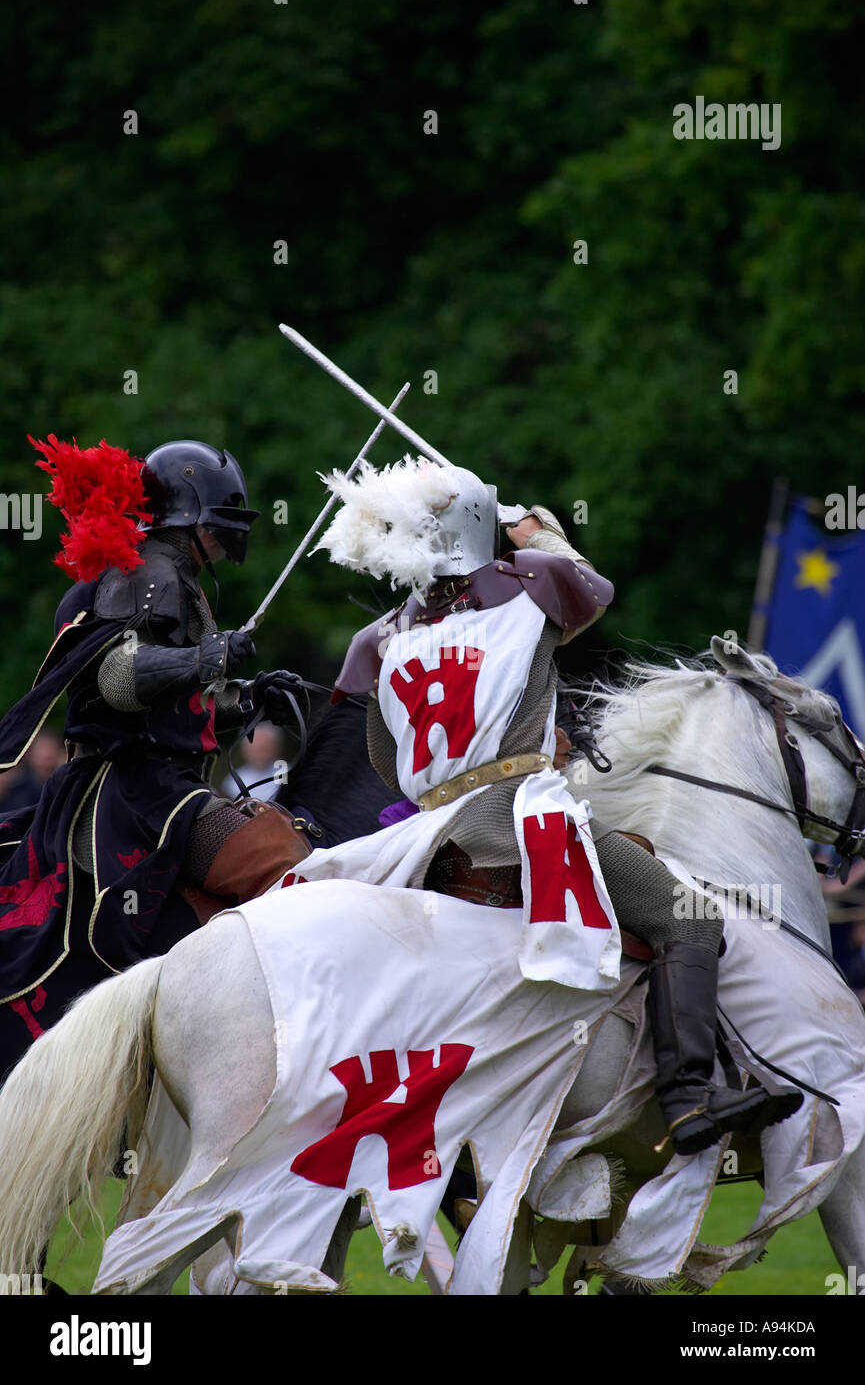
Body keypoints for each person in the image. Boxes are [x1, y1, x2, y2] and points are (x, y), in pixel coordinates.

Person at [307, 456, 802, 1155]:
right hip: (512, 817)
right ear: (485, 529)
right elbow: (592, 590)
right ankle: (691, 1097)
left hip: (424, 835)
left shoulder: (377, 638)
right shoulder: (528, 586)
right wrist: (537, 530)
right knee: (686, 917)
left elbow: (386, 762)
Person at [0, 437, 309, 1080]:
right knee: (278, 857)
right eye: (223, 520)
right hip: (132, 790)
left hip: (153, 775)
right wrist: (208, 658)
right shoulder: (149, 570)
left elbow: (174, 711)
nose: (229, 534)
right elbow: (118, 677)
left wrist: (248, 700)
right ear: (194, 515)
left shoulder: (171, 573)